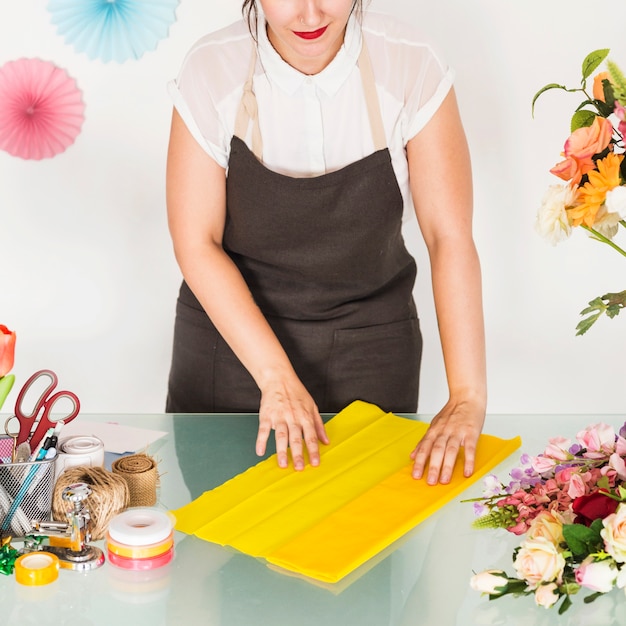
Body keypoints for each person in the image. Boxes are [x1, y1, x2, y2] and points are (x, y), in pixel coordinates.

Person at [165, 0, 486, 485]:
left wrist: (467, 395)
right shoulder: (213, 67)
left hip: (371, 348)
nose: (310, 15)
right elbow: (196, 242)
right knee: (218, 548)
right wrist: (275, 376)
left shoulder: (410, 62)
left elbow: (449, 237)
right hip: (232, 353)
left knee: (364, 550)